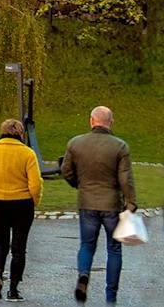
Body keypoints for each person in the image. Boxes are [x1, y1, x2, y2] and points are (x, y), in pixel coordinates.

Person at [61, 105, 137, 304]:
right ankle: (110, 297)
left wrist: (79, 185)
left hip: (87, 202)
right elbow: (125, 179)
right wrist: (131, 203)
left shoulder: (75, 144)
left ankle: (84, 275)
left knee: (86, 245)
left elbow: (66, 171)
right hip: (112, 204)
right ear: (111, 122)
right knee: (114, 249)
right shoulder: (120, 146)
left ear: (91, 121)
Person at [0, 117, 43, 301]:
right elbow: (35, 184)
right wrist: (34, 201)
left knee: (0, 244)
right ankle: (13, 289)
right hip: (22, 204)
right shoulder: (27, 154)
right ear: (21, 133)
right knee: (19, 249)